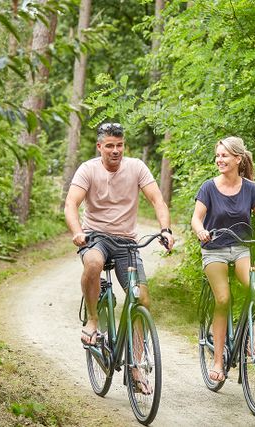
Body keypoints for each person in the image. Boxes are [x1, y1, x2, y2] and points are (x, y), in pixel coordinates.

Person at [64, 122, 175, 348]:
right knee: (93, 264)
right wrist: (77, 232)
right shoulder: (88, 169)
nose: (115, 150)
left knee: (142, 299)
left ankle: (138, 361)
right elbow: (70, 204)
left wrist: (165, 229)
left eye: (120, 145)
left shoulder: (136, 167)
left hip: (126, 242)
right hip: (95, 237)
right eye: (110, 146)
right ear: (99, 147)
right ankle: (93, 319)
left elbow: (157, 200)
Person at [190, 136, 255, 383]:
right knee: (223, 299)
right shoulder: (208, 187)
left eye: (224, 155)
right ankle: (218, 361)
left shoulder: (250, 189)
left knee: (254, 289)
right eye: (217, 155)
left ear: (238, 159)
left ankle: (246, 336)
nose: (219, 160)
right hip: (214, 249)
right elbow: (196, 218)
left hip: (242, 248)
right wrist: (201, 230)